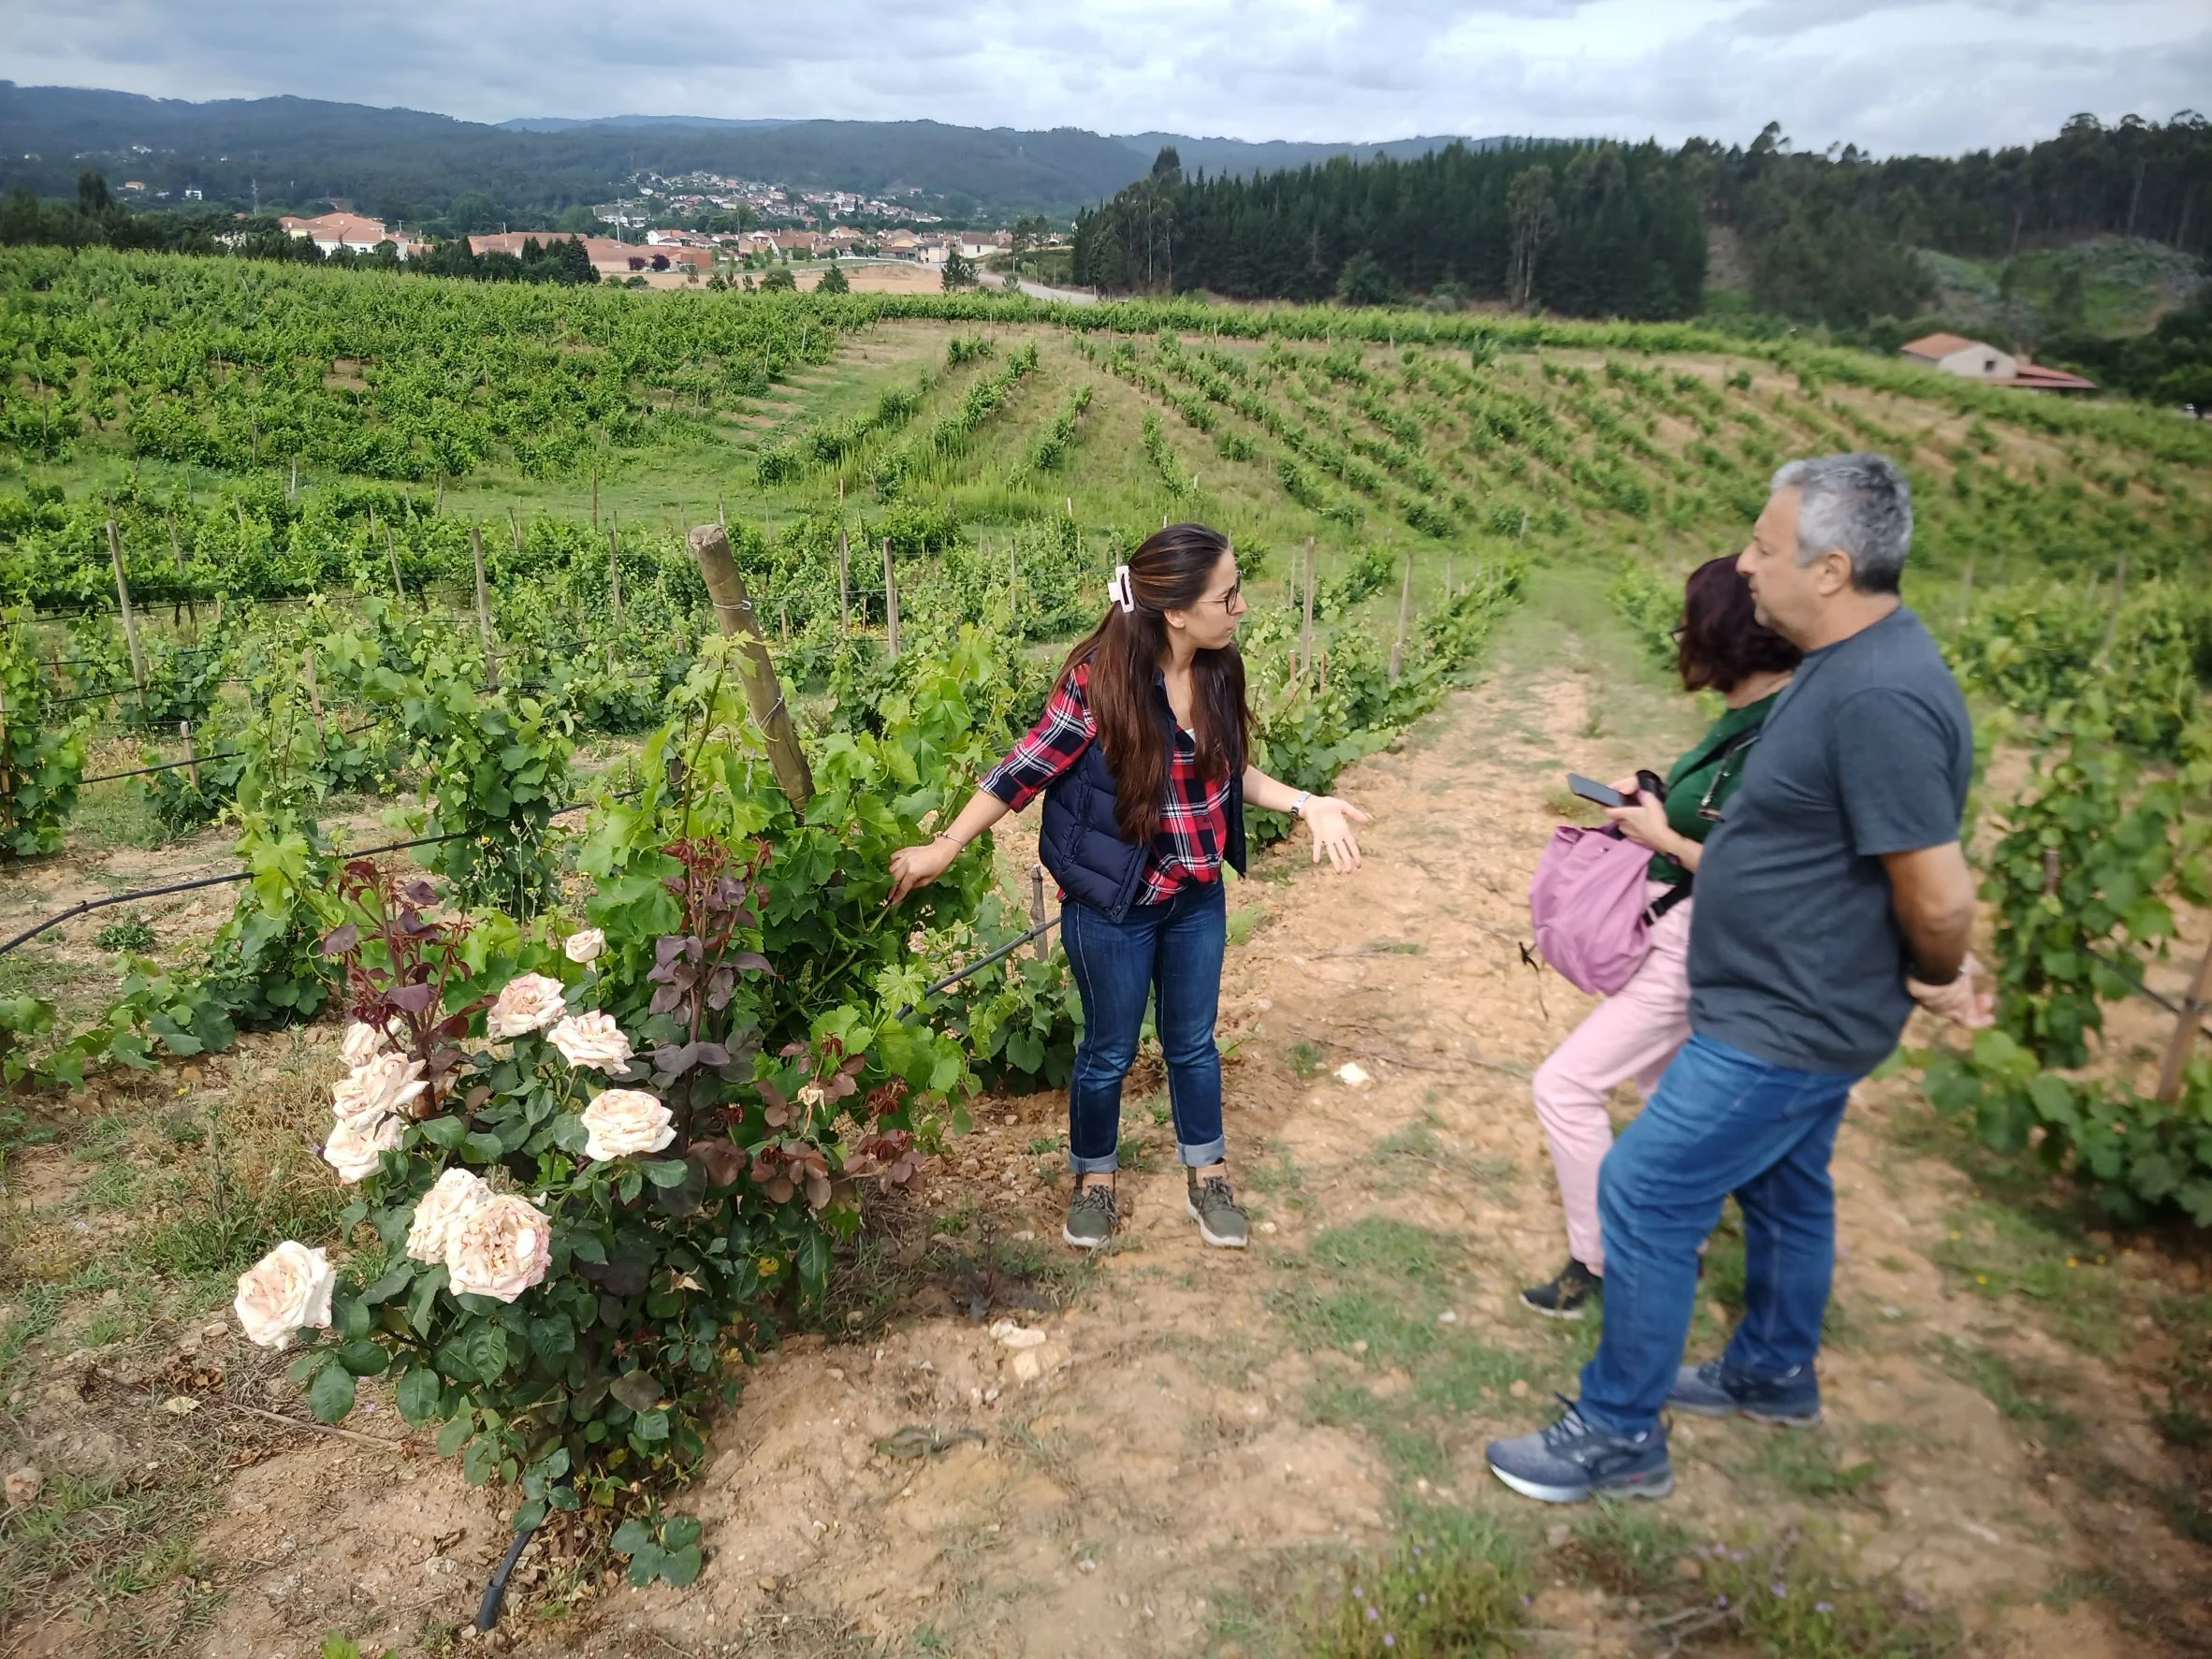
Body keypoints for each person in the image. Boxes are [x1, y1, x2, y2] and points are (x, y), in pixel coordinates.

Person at [1487, 452, 1994, 1504]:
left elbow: (1937, 896)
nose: (1748, 568)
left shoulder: (1881, 698)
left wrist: (1939, 972)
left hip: (1788, 1014)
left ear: (1832, 568)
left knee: (1646, 1186)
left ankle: (1619, 1434)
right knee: (1786, 1185)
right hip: (1785, 993)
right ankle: (1772, 1371)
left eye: (1766, 548)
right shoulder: (1844, 673)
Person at [887, 523, 1370, 1252]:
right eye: (1227, 594)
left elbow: (1228, 769)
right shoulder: (1099, 680)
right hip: (1116, 904)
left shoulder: (1215, 667)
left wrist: (1308, 803)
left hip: (1196, 898)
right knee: (1108, 1050)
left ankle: (1207, 1170)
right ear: (1176, 609)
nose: (1240, 607)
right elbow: (1024, 769)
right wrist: (945, 846)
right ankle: (1095, 1179)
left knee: (1193, 1044)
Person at [1520, 559, 1800, 1320]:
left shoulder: (1781, 734)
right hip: (1681, 932)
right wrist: (1654, 804)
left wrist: (1664, 839)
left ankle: (1603, 1258)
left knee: (1566, 1086)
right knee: (1663, 1088)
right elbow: (1715, 817)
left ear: (1724, 633)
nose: (1680, 640)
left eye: (1688, 624)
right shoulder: (1749, 719)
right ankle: (1682, 1235)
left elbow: (1766, 871)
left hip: (1699, 942)